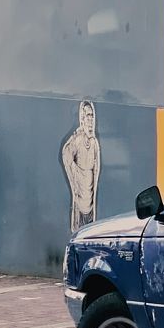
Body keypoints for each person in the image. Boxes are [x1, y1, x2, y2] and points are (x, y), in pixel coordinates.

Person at [61, 100, 101, 233]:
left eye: (92, 116)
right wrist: (76, 174)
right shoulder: (77, 140)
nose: (90, 119)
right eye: (87, 116)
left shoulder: (94, 143)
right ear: (82, 119)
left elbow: (96, 168)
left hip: (90, 196)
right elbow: (66, 154)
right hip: (80, 195)